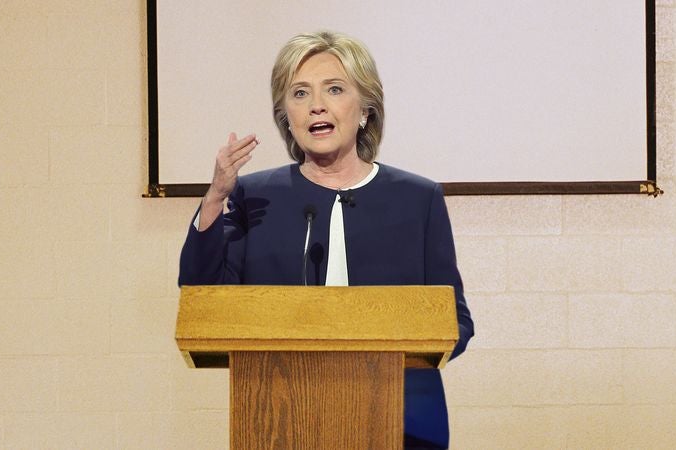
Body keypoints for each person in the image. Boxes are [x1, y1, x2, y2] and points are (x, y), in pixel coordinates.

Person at [179, 30, 474, 449]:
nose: (316, 104)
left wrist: (383, 357)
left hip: (404, 422)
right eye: (299, 93)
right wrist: (214, 200)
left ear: (365, 110)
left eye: (334, 89)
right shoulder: (254, 197)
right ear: (287, 116)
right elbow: (203, 298)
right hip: (279, 421)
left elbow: (456, 323)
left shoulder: (418, 198)